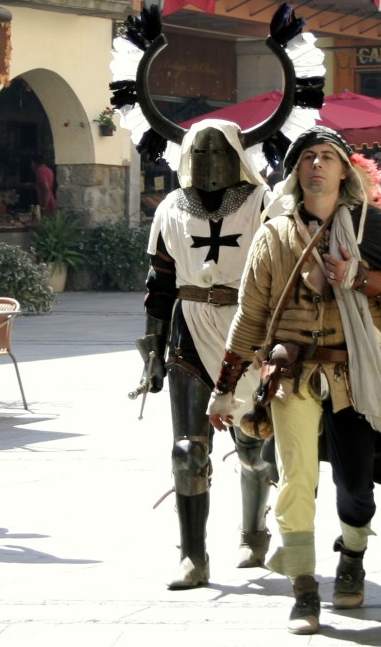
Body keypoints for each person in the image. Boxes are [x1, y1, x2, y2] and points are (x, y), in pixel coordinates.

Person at [209, 127, 381, 634]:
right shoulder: (273, 234)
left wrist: (362, 278)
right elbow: (251, 313)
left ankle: (352, 557)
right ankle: (304, 588)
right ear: (296, 170)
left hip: (355, 376)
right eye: (308, 157)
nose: (318, 165)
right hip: (291, 375)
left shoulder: (374, 229)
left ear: (344, 170)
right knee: (297, 481)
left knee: (356, 484)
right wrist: (225, 387)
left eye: (328, 157)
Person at [141, 120, 275, 590]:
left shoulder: (263, 203)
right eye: (199, 151)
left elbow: (279, 271)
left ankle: (254, 532)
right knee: (186, 450)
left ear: (236, 154)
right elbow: (158, 286)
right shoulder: (171, 209)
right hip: (190, 329)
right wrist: (151, 353)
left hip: (248, 329)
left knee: (254, 445)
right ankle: (193, 557)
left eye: (217, 151)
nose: (208, 162)